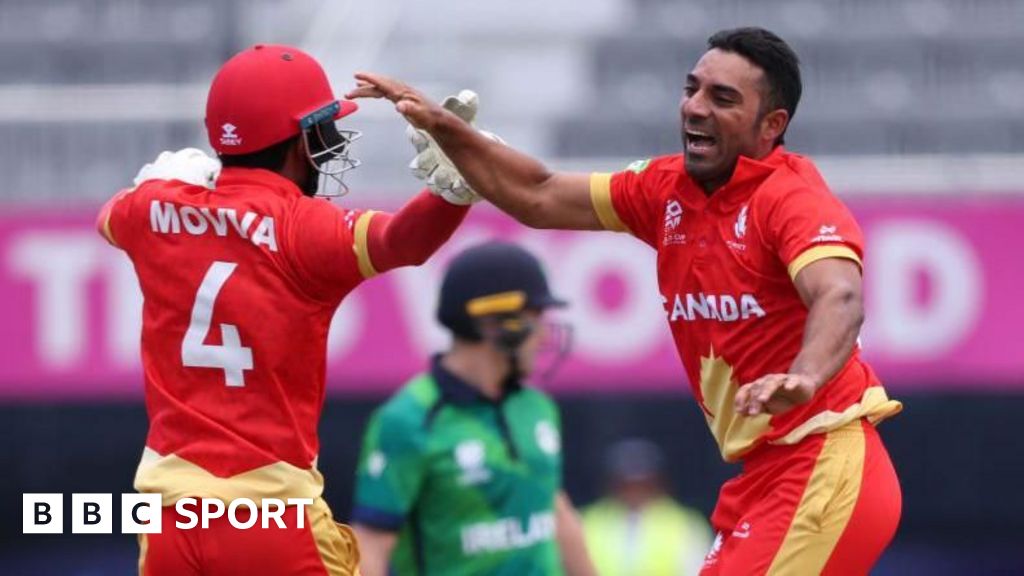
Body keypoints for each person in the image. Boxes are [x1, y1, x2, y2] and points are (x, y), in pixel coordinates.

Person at [347, 26, 904, 575]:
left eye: (723, 98)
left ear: (772, 126)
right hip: (766, 473)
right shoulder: (665, 190)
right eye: (692, 89)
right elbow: (540, 196)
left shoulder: (790, 198)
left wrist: (805, 377)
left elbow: (840, 293)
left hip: (823, 461)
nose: (695, 108)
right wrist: (448, 131)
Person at [97, 44, 476, 575]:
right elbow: (405, 243)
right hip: (272, 517)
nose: (332, 142)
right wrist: (457, 187)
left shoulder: (151, 211)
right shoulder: (305, 229)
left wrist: (159, 187)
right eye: (324, 129)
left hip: (167, 522)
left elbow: (111, 217)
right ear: (301, 139)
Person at [351, 242, 595, 576]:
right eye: (534, 317)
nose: (542, 335)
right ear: (492, 321)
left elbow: (557, 512)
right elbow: (372, 543)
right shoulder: (408, 419)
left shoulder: (537, 407)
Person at [582, 439, 712, 576]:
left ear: (657, 483)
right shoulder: (585, 522)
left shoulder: (687, 525)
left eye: (642, 484)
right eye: (626, 485)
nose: (634, 492)